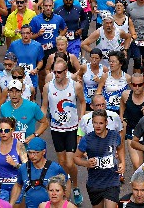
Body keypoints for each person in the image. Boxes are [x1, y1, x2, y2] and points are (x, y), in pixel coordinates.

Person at [41, 60, 85, 205]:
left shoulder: (75, 86)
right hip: (56, 129)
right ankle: (66, 189)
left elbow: (82, 102)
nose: (56, 75)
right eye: (54, 72)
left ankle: (76, 186)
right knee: (62, 162)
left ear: (66, 72)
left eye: (59, 72)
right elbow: (44, 106)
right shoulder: (48, 87)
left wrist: (81, 118)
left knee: (70, 162)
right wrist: (41, 121)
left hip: (71, 129)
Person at [74, 109, 125, 208]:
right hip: (95, 183)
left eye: (101, 123)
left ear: (106, 123)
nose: (98, 126)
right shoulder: (86, 139)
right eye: (95, 123)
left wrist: (123, 162)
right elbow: (76, 157)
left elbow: (121, 147)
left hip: (112, 181)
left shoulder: (114, 136)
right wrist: (86, 163)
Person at [9, 137, 69, 208]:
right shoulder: (23, 168)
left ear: (43, 152)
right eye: (30, 152)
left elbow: (67, 181)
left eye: (36, 153)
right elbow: (18, 185)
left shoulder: (55, 168)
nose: (32, 156)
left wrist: (65, 200)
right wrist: (10, 205)